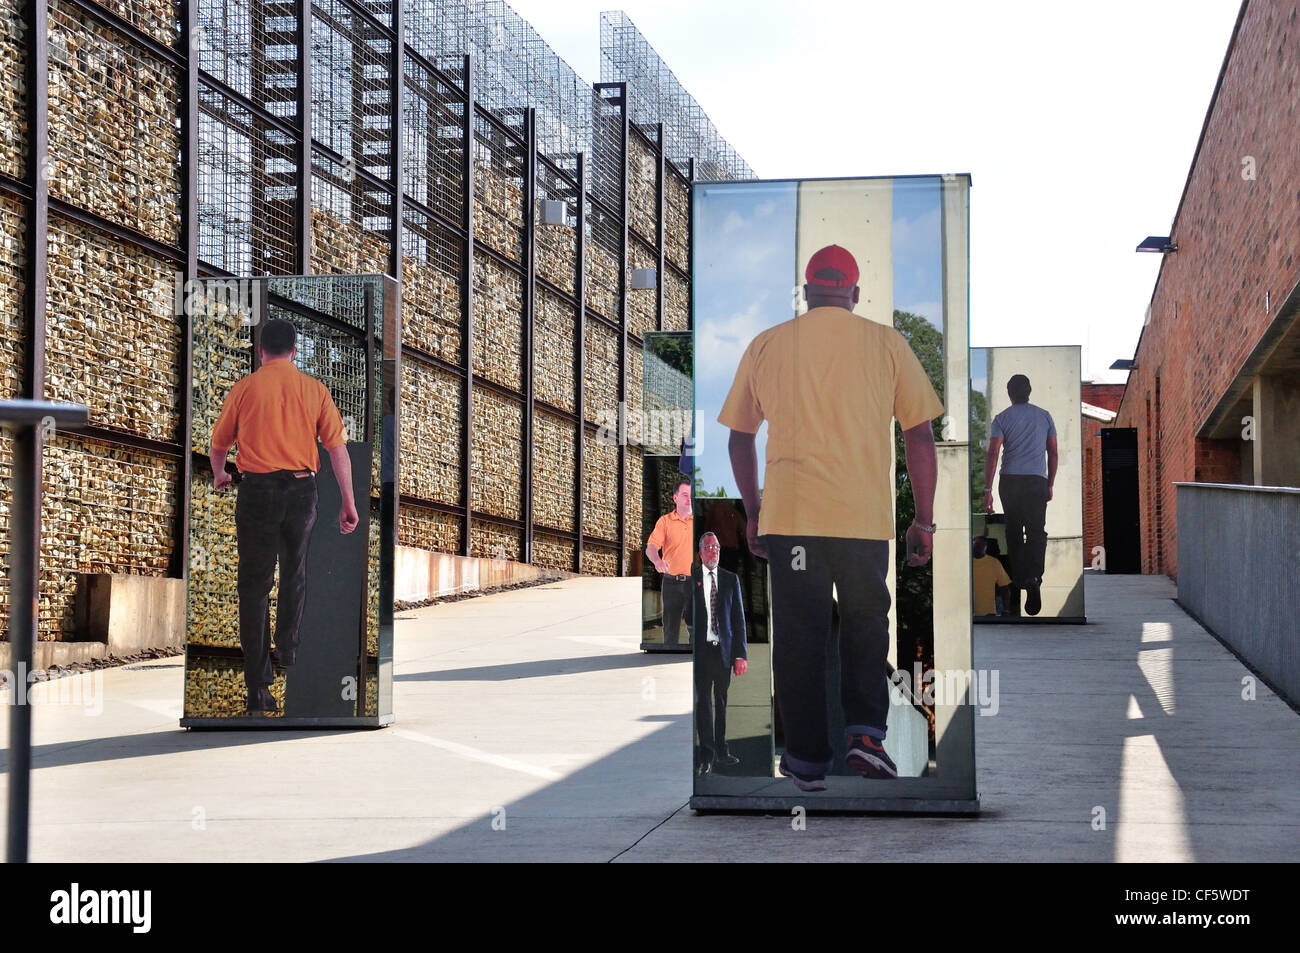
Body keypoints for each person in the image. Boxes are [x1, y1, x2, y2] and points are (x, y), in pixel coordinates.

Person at [720, 244, 943, 791]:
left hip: (792, 519)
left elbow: (740, 438)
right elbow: (919, 436)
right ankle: (865, 736)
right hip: (862, 521)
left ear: (807, 289)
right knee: (867, 625)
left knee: (800, 636)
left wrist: (754, 512)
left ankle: (805, 760)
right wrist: (924, 520)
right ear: (854, 292)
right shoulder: (887, 343)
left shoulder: (767, 344)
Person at [210, 318, 359, 714]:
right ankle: (288, 650)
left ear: (261, 351)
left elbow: (219, 444)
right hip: (301, 490)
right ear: (294, 351)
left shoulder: (244, 388)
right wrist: (349, 501)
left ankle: (258, 687)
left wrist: (221, 474)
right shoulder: (315, 390)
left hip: (257, 492)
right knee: (295, 570)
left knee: (254, 586)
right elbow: (337, 450)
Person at [983, 373, 1057, 616]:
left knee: (1013, 532)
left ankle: (1022, 578)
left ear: (1009, 393)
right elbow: (1053, 453)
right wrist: (1050, 484)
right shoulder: (1044, 416)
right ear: (1029, 391)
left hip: (1010, 481)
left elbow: (993, 453)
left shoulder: (1002, 418)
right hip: (1037, 480)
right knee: (1036, 531)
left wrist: (988, 490)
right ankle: (1034, 576)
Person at [694, 532, 748, 777]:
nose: (713, 551)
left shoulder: (730, 579)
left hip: (724, 652)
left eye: (716, 547)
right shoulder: (693, 578)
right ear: (700, 553)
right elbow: (687, 613)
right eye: (708, 547)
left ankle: (722, 750)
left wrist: (740, 654)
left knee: (722, 702)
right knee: (703, 704)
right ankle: (706, 757)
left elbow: (738, 620)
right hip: (703, 652)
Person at [644, 478, 694, 646]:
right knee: (670, 630)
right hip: (671, 583)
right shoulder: (665, 522)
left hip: (695, 583)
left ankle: (695, 663)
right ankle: (667, 658)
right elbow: (651, 547)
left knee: (697, 628)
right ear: (675, 498)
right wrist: (657, 560)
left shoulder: (700, 520)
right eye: (685, 495)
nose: (689, 499)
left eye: (691, 495)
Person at [972, 536, 1012, 617]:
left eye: (981, 544)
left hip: (988, 614)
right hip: (966, 614)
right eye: (976, 544)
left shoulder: (994, 563)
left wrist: (1006, 610)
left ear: (985, 546)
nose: (978, 547)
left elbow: (1004, 588)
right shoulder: (966, 562)